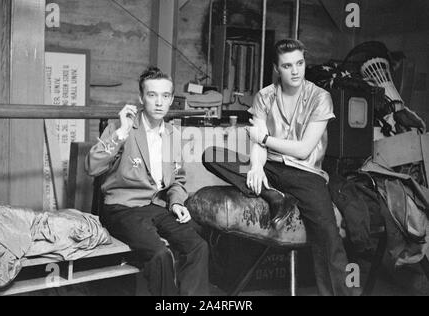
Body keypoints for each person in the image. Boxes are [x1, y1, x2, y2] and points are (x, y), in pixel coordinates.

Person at [202, 39, 355, 296]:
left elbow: (304, 149)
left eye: (300, 63)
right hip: (271, 168)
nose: (295, 71)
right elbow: (258, 144)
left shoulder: (320, 97)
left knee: (329, 238)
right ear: (277, 68)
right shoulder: (264, 96)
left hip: (307, 175)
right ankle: (273, 194)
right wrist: (256, 166)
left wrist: (263, 140)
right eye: (287, 65)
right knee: (212, 154)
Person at [86, 66, 209, 296]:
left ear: (172, 99)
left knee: (198, 247)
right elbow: (92, 167)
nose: (159, 102)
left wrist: (176, 203)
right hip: (122, 208)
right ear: (141, 97)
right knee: (159, 254)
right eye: (152, 95)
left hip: (156, 207)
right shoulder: (121, 128)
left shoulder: (174, 135)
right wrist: (121, 133)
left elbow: (177, 181)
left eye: (165, 96)